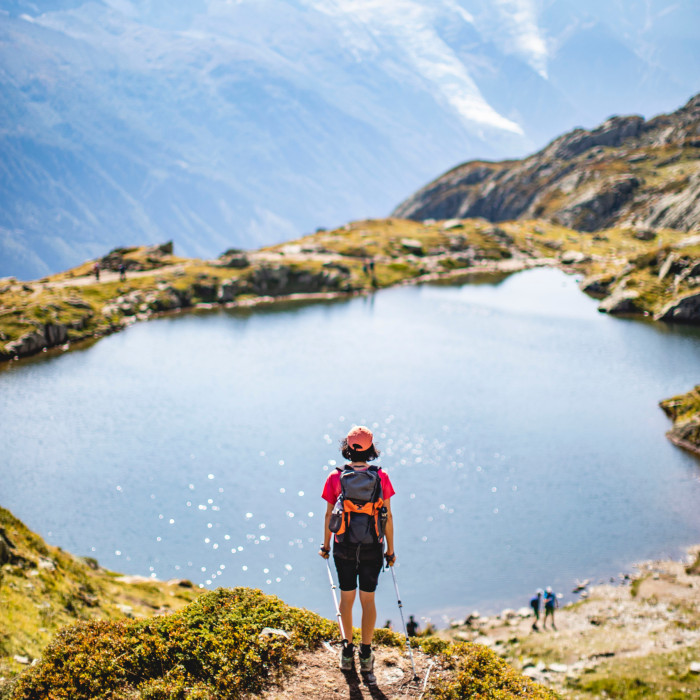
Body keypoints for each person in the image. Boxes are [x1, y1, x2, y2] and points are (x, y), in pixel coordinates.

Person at [320, 425, 395, 674]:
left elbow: (330, 514)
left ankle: (346, 650)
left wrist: (326, 545)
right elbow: (388, 516)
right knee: (368, 600)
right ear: (371, 449)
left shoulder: (335, 477)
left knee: (346, 599)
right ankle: (365, 653)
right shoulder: (381, 476)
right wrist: (390, 551)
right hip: (373, 545)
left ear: (347, 448)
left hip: (344, 546)